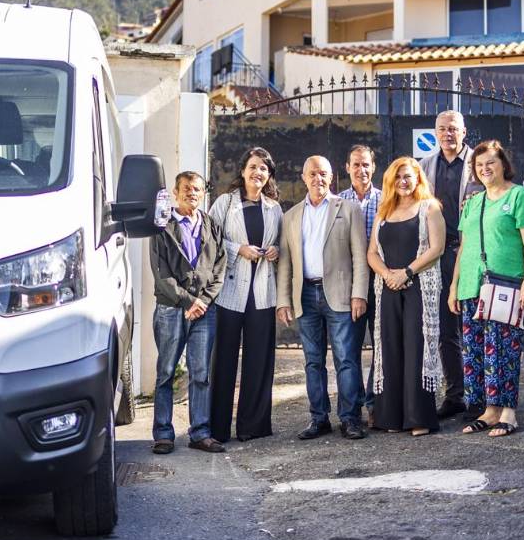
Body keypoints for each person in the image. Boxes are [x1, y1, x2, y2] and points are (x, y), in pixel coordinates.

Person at [448, 140, 524, 437]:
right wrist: (454, 286)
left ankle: (508, 412)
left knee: (504, 351)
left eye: (491, 163)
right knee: (475, 352)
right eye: (479, 165)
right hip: (471, 287)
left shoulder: (517, 196)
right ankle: (489, 411)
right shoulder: (474, 202)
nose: (485, 169)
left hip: (505, 285)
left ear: (503, 164)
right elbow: (463, 248)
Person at [276, 156, 370, 441]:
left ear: (332, 178)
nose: (318, 178)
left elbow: (360, 257)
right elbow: (285, 262)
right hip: (305, 294)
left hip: (341, 294)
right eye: (313, 174)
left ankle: (350, 418)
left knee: (347, 359)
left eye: (324, 174)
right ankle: (319, 419)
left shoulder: (349, 209)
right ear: (304, 177)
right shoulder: (290, 215)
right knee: (312, 361)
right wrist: (283, 300)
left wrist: (359, 294)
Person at [149, 172, 228, 454]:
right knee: (166, 372)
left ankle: (200, 433)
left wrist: (203, 300)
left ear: (203, 193)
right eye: (186, 189)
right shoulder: (162, 227)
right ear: (175, 192)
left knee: (201, 373)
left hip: (205, 311)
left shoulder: (211, 224)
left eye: (197, 189)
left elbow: (220, 267)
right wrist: (187, 302)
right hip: (171, 310)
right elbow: (161, 274)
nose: (191, 193)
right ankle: (163, 434)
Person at [208, 147, 284, 443]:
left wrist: (276, 251)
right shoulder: (225, 204)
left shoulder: (274, 208)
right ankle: (217, 428)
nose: (258, 173)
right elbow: (209, 241)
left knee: (259, 360)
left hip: (263, 293)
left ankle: (253, 426)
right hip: (229, 292)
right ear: (243, 171)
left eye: (263, 169)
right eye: (253, 167)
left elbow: (280, 245)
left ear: (269, 175)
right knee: (224, 360)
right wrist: (238, 249)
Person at [368, 157, 447, 436]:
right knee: (389, 348)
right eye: (398, 177)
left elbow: (436, 248)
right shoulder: (383, 212)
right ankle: (390, 417)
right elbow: (372, 253)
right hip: (387, 288)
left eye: (408, 177)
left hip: (418, 286)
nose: (403, 182)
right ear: (391, 180)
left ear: (418, 179)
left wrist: (406, 273)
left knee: (417, 348)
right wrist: (388, 275)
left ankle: (419, 418)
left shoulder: (430, 208)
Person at [420, 110, 482, 421]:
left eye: (453, 129)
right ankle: (455, 394)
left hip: (471, 253)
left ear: (464, 131)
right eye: (442, 129)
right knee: (446, 330)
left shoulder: (478, 163)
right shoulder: (424, 166)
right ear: (435, 132)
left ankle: (480, 396)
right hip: (437, 256)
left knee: (474, 328)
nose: (448, 134)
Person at [341, 144, 383, 426]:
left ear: (373, 167)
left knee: (381, 346)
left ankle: (375, 403)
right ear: (347, 168)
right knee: (349, 349)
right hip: (351, 285)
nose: (361, 170)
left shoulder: (387, 199)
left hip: (380, 282)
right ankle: (353, 406)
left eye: (365, 164)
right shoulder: (338, 202)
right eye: (356, 164)